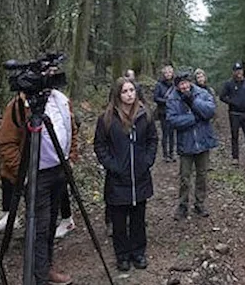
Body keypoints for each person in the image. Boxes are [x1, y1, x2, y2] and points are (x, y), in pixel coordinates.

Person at [0, 80, 77, 285]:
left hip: (58, 172)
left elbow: (71, 128)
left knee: (51, 223)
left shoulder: (61, 99)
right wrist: (26, 172)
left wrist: (71, 157)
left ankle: (47, 269)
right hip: (37, 176)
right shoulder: (19, 106)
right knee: (39, 231)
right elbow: (6, 144)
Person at [93, 77, 157, 272]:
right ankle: (122, 256)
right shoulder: (107, 118)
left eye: (131, 90)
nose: (129, 94)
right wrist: (112, 166)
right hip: (117, 179)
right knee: (119, 221)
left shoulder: (145, 115)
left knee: (138, 218)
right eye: (125, 91)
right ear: (118, 94)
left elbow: (152, 140)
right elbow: (100, 145)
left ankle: (138, 252)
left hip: (140, 176)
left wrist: (147, 161)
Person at [165, 70, 218, 219]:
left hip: (203, 141)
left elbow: (209, 111)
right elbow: (172, 120)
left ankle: (200, 204)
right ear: (177, 86)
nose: (184, 86)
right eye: (181, 84)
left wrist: (193, 102)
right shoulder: (172, 98)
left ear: (190, 82)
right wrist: (193, 118)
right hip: (186, 144)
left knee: (202, 175)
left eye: (186, 83)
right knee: (184, 178)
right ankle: (182, 206)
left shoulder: (202, 93)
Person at [219, 62, 245, 165]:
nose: (239, 72)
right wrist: (232, 102)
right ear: (233, 72)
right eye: (236, 70)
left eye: (240, 70)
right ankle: (235, 158)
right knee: (235, 136)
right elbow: (222, 96)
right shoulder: (229, 83)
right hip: (234, 113)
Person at [152, 64, 177, 161]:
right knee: (165, 133)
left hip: (173, 112)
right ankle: (165, 155)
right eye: (166, 72)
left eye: (170, 72)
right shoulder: (159, 84)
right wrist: (166, 101)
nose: (168, 74)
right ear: (163, 74)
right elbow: (156, 97)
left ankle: (172, 153)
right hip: (163, 112)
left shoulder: (175, 85)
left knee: (172, 134)